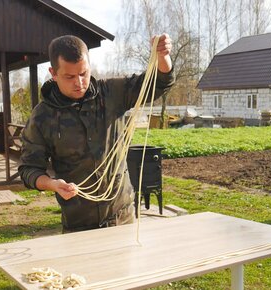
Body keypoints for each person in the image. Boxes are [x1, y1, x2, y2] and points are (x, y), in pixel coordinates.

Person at [19, 34, 174, 232]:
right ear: (53, 73)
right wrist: (52, 184)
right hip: (78, 223)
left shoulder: (111, 94)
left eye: (83, 73)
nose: (79, 82)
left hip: (122, 216)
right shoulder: (42, 116)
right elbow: (28, 169)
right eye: (69, 77)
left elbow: (158, 82)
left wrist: (163, 56)